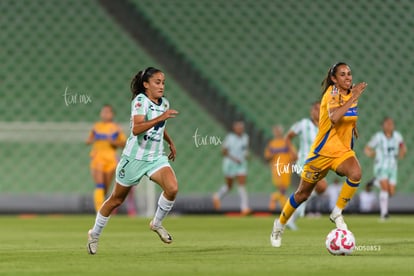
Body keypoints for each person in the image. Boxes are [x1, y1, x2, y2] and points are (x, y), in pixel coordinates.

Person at [270, 62, 368, 248]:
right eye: (342, 75)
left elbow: (348, 116)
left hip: (341, 151)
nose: (348, 77)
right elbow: (334, 117)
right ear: (334, 79)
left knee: (356, 173)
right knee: (302, 194)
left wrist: (353, 127)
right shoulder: (331, 93)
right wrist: (354, 95)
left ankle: (337, 212)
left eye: (349, 74)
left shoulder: (351, 95)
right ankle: (279, 224)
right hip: (321, 153)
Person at [87, 67, 179, 254]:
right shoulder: (140, 101)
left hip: (155, 157)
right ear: (146, 85)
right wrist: (162, 117)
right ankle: (94, 234)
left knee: (172, 188)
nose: (161, 86)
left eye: (163, 83)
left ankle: (156, 223)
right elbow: (137, 128)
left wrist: (170, 142)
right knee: (116, 200)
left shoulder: (164, 104)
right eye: (157, 82)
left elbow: (159, 126)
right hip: (134, 158)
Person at [284, 101, 328, 229]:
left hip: (318, 164)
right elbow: (288, 137)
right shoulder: (303, 124)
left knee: (315, 190)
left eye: (321, 109)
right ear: (311, 111)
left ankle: (291, 215)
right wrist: (292, 151)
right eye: (316, 109)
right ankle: (292, 214)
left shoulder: (325, 126)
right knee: (321, 186)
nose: (318, 112)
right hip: (304, 162)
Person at [86, 105, 127, 212]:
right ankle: (99, 210)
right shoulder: (96, 127)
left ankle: (105, 208)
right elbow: (88, 141)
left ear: (112, 114)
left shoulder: (116, 128)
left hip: (111, 159)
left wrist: (113, 141)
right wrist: (93, 139)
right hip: (98, 157)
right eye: (103, 112)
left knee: (105, 188)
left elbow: (124, 143)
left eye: (107, 112)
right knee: (99, 184)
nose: (105, 114)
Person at [364, 117, 406, 220]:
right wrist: (372, 154)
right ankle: (384, 214)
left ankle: (374, 182)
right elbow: (367, 149)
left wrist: (402, 152)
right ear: (383, 125)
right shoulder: (378, 137)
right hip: (381, 166)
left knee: (391, 192)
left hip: (393, 167)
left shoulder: (397, 136)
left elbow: (402, 147)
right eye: (387, 123)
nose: (389, 125)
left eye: (391, 123)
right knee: (385, 189)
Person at [212, 121, 251, 215]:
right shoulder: (230, 138)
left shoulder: (245, 138)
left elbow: (245, 150)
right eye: (238, 128)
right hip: (230, 164)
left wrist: (246, 155)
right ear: (235, 129)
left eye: (241, 128)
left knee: (241, 184)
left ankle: (244, 207)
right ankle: (217, 197)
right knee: (229, 186)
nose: (240, 130)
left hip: (241, 164)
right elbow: (224, 151)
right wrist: (234, 159)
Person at [264, 125, 296, 212]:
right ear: (274, 132)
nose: (277, 132)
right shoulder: (272, 144)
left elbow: (293, 155)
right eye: (276, 131)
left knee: (283, 189)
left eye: (279, 130)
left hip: (286, 168)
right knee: (282, 189)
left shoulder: (286, 142)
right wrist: (271, 155)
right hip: (276, 168)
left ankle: (275, 198)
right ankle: (286, 209)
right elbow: (267, 157)